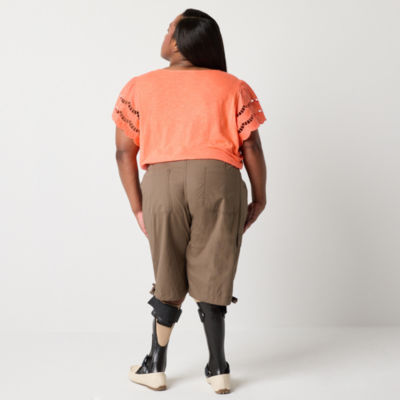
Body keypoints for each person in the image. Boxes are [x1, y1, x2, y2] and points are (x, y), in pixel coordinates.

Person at [112, 8, 267, 394]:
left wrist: (137, 206)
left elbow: (123, 152)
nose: (164, 34)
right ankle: (218, 368)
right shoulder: (233, 86)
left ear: (181, 42)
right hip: (219, 180)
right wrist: (260, 196)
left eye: (169, 29)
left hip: (162, 183)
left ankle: (155, 365)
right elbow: (250, 145)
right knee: (214, 273)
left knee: (167, 271)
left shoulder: (139, 86)